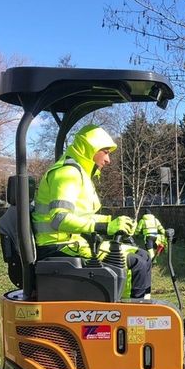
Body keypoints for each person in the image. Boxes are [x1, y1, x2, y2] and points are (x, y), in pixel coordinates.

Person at [32, 124, 155, 299]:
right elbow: (59, 219)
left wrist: (112, 223)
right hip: (59, 248)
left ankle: (136, 308)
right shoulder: (67, 174)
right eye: (105, 152)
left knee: (142, 255)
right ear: (89, 148)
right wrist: (105, 227)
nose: (108, 160)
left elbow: (82, 216)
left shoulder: (79, 174)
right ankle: (131, 316)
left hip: (72, 244)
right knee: (137, 264)